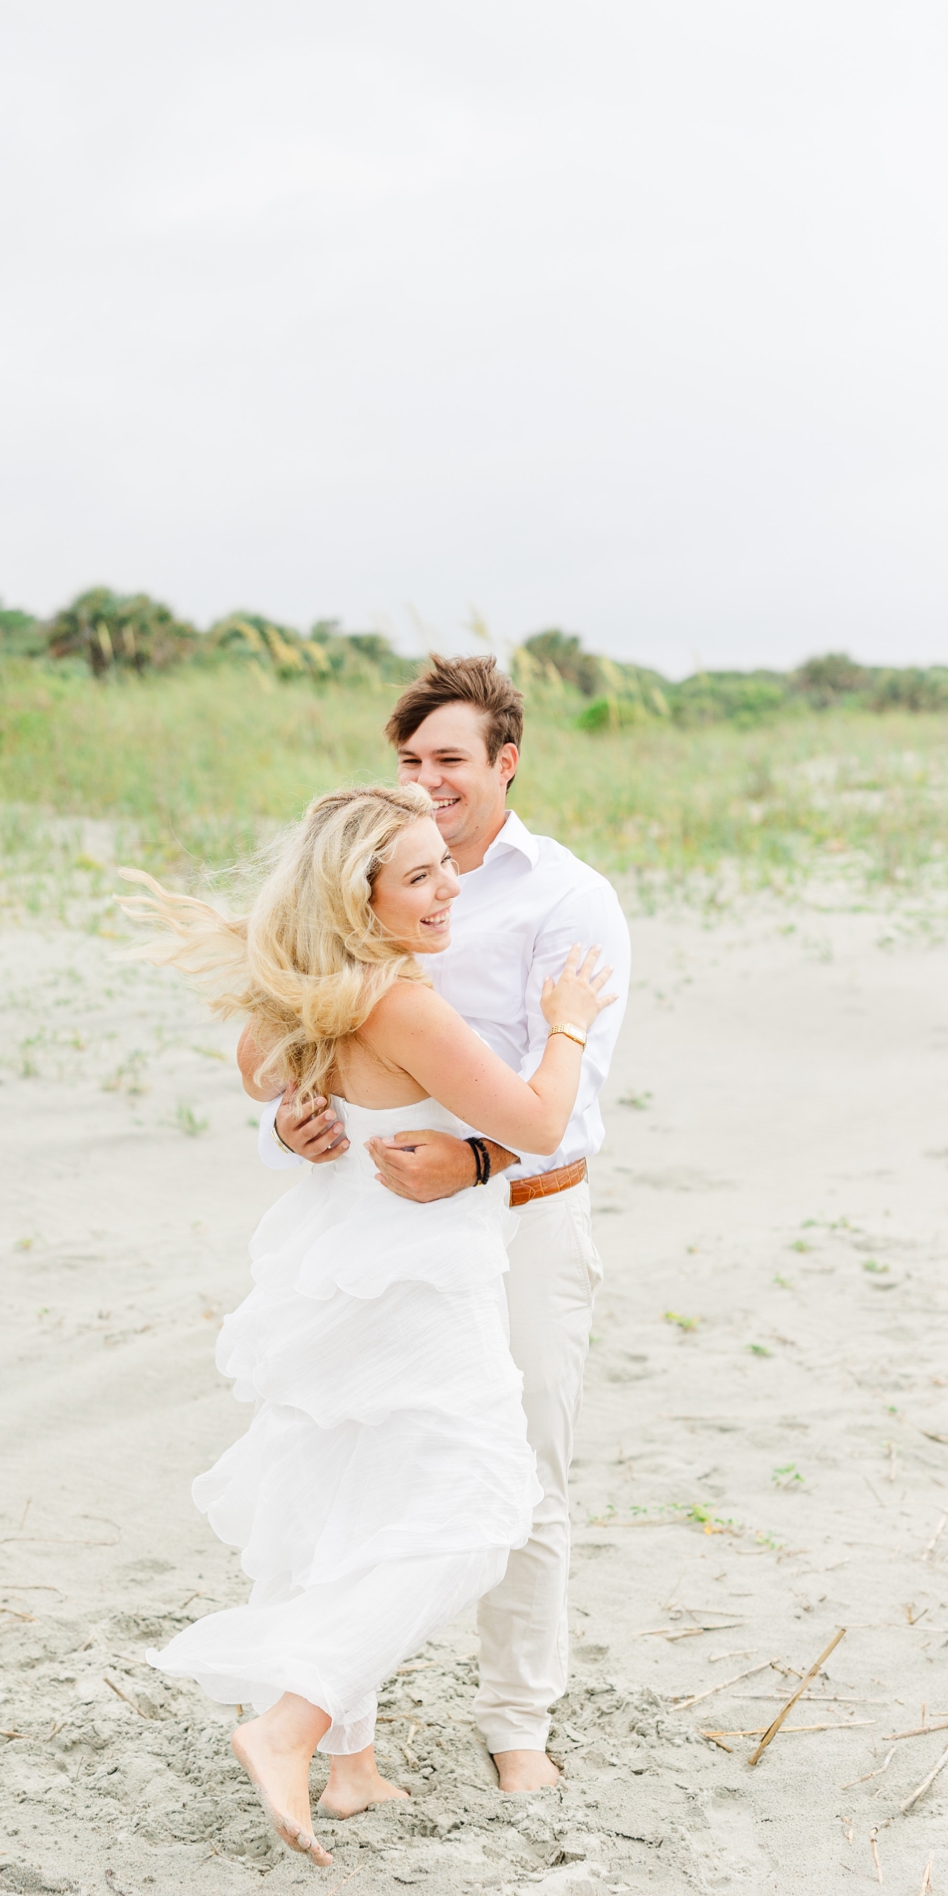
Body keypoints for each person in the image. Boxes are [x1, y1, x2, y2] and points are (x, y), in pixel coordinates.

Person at [120, 783, 616, 1866]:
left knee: (351, 1501)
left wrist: (301, 1123)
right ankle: (290, 1723)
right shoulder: (401, 1004)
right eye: (421, 876)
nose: (448, 890)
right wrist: (567, 1024)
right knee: (483, 1507)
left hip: (332, 1277)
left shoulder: (296, 1000)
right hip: (415, 1288)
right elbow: (535, 1119)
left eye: (448, 865)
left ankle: (351, 1767)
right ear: (364, 896)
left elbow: (266, 1085)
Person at [260, 655, 631, 1795]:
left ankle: (515, 1726)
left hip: (522, 1219)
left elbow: (577, 1097)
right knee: (362, 1468)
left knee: (525, 1477)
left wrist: (475, 1158)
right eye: (410, 761)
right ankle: (341, 1745)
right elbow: (294, 1044)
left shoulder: (566, 898)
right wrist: (293, 1119)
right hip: (390, 1238)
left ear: (504, 761)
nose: (428, 781)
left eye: (450, 760)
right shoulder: (360, 880)